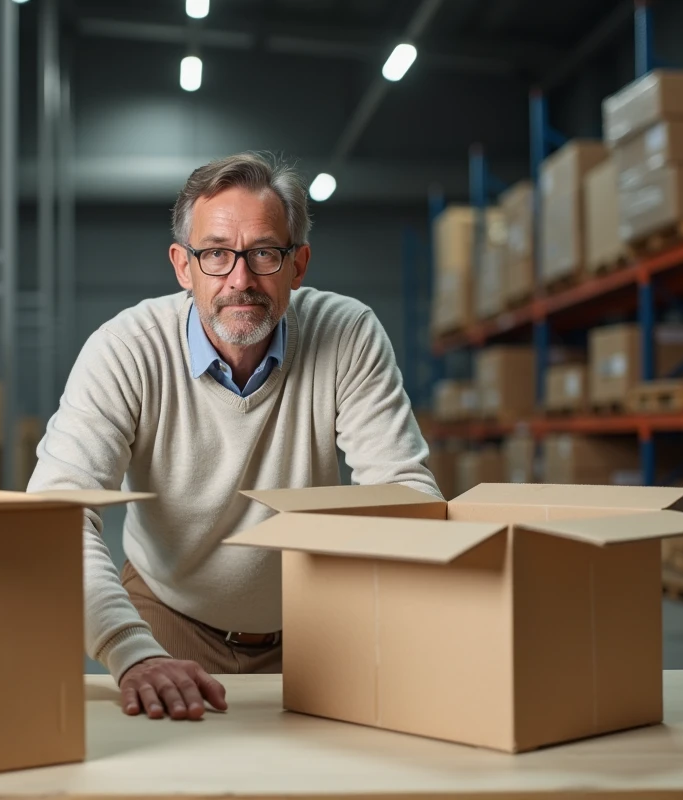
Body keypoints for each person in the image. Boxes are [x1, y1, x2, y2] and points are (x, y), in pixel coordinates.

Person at [26, 151, 442, 723]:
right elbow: (55, 514)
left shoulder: (347, 334)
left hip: (318, 628)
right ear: (182, 266)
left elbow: (406, 495)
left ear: (298, 265)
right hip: (167, 623)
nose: (240, 280)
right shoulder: (126, 349)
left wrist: (400, 630)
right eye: (216, 254)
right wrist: (131, 651)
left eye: (264, 254)